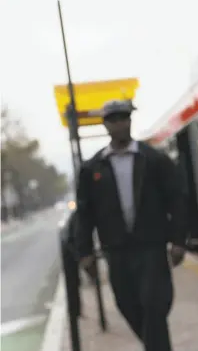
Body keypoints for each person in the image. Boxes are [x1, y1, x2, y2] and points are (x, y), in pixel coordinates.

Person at [75, 99, 187, 351]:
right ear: (105, 125)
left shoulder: (154, 160)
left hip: (152, 247)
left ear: (130, 121)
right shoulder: (92, 169)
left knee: (155, 305)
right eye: (113, 119)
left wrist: (179, 241)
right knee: (127, 305)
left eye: (123, 118)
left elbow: (177, 200)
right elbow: (85, 214)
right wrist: (84, 253)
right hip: (116, 251)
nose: (119, 124)